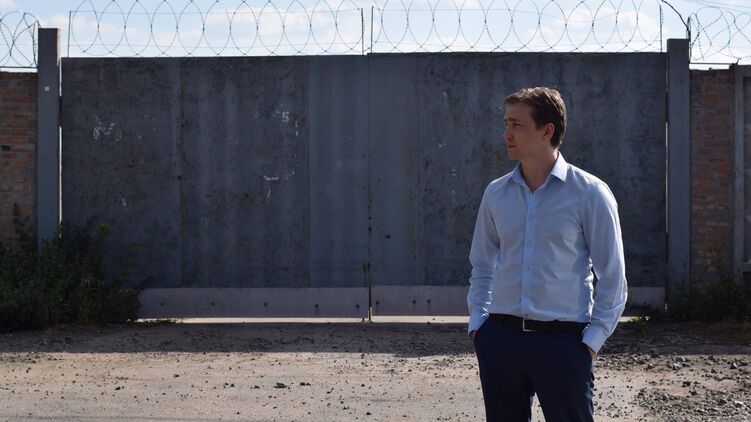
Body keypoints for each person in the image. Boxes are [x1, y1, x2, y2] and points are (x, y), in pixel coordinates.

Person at [467, 87, 628, 422]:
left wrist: (591, 342)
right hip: (500, 340)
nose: (506, 133)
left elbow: (613, 276)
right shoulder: (496, 193)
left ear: (547, 130)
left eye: (516, 124)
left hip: (564, 343)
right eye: (506, 123)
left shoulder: (590, 194)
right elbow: (482, 263)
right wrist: (480, 326)